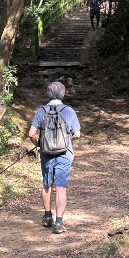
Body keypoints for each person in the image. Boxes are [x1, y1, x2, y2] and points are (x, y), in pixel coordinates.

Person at [28, 81, 81, 234]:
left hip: (46, 153)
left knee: (47, 184)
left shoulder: (41, 110)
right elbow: (77, 134)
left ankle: (46, 217)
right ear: (63, 94)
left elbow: (31, 134)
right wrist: (65, 140)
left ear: (48, 94)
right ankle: (59, 223)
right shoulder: (69, 111)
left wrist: (40, 144)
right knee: (61, 188)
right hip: (64, 154)